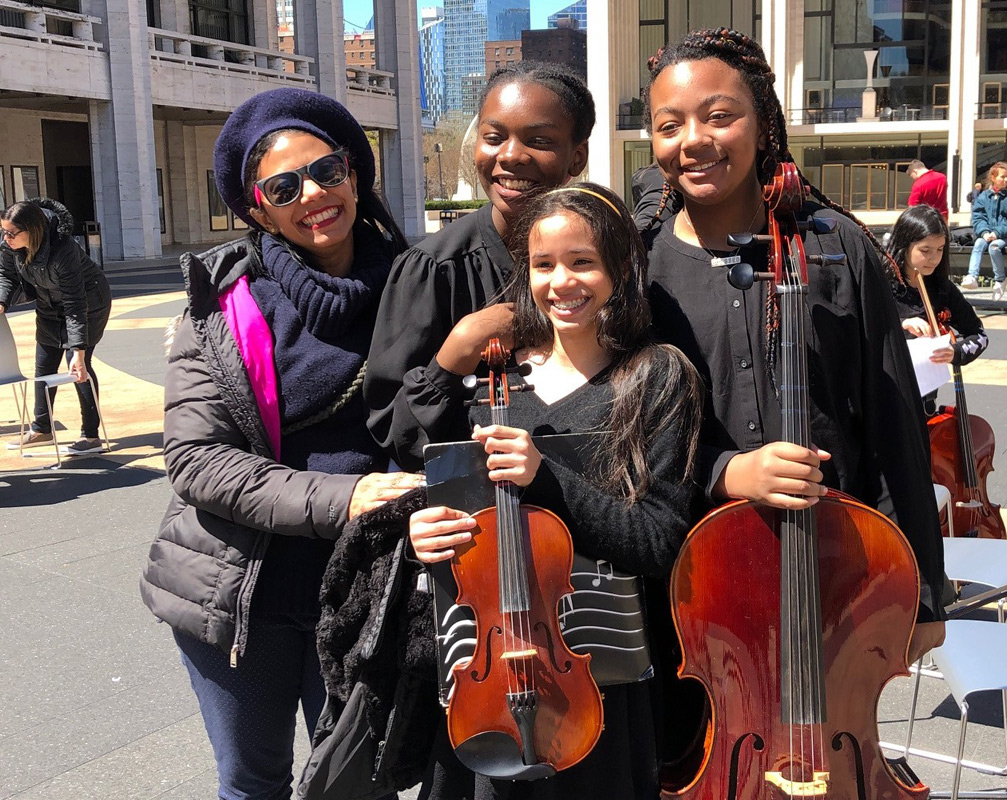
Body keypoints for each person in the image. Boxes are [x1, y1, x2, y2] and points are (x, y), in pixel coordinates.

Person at [139, 88, 421, 800]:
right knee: (251, 780)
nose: (314, 195)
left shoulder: (420, 288)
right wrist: (347, 495)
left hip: (367, 587)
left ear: (355, 172)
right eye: (285, 186)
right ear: (257, 207)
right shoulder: (223, 306)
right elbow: (197, 461)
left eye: (328, 171)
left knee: (360, 782)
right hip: (241, 589)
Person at [640, 28, 945, 627]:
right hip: (691, 591)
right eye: (668, 125)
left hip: (836, 569)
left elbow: (892, 423)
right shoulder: (637, 265)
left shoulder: (837, 246)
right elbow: (626, 434)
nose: (693, 141)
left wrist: (923, 599)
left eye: (719, 117)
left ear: (764, 124)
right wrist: (726, 471)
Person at [407, 183, 703, 799]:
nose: (561, 282)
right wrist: (424, 533)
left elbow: (662, 541)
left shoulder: (655, 375)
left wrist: (548, 476)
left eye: (583, 262)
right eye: (543, 265)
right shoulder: (496, 378)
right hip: (485, 677)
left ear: (620, 270)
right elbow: (452, 510)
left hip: (597, 676)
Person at [365, 61, 593, 472]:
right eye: (493, 137)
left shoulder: (606, 264)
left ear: (576, 158)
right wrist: (459, 349)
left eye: (538, 140)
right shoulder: (431, 269)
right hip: (476, 518)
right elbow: (392, 431)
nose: (510, 155)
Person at [0, 197, 111, 454]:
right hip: (49, 304)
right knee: (44, 365)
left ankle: (91, 436)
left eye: (11, 233)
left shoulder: (63, 250)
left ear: (33, 230)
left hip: (89, 303)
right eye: (3, 232)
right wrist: (2, 301)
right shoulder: (10, 246)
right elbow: (6, 275)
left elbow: (75, 304)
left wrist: (79, 351)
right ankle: (41, 430)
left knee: (78, 367)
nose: (6, 238)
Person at [887, 204, 989, 413]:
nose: (934, 258)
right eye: (925, 250)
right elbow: (861, 332)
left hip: (925, 403)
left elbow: (979, 335)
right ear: (904, 246)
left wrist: (955, 352)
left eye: (940, 250)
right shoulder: (881, 284)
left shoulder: (942, 289)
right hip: (887, 397)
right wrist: (900, 325)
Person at [962, 161, 1007, 300]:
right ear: (993, 178)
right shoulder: (984, 197)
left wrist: (996, 233)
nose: (1005, 179)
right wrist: (984, 232)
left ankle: (1000, 280)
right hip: (988, 234)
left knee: (994, 247)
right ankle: (972, 276)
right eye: (1002, 177)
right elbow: (978, 218)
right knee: (978, 243)